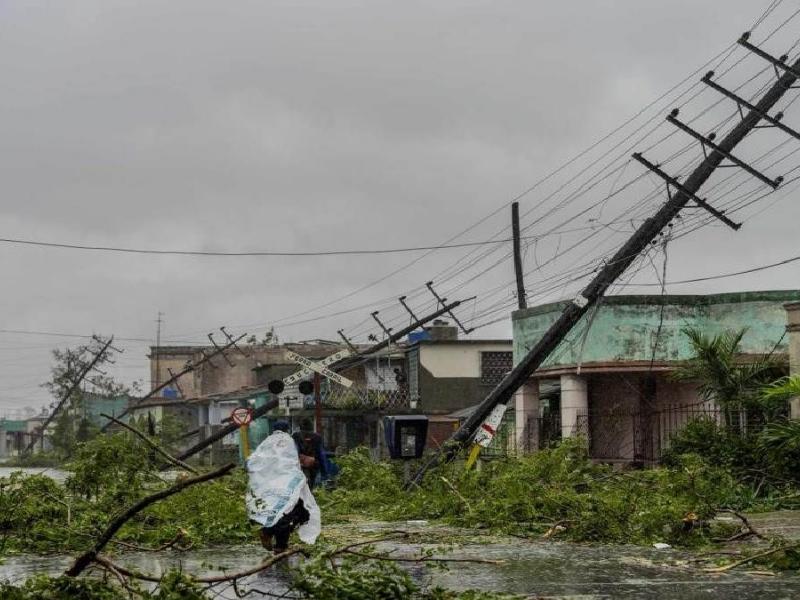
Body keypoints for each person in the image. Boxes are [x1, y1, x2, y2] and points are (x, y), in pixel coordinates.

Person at [246, 421, 321, 553]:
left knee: (279, 511)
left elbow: (252, 463)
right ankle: (278, 543)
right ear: (287, 429)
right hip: (287, 485)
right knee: (294, 512)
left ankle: (270, 534)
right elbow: (295, 461)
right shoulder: (290, 442)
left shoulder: (266, 443)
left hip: (270, 486)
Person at [292, 419, 328, 490]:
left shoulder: (296, 436)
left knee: (300, 487)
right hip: (313, 465)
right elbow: (321, 455)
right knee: (312, 486)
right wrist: (324, 472)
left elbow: (294, 451)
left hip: (299, 466)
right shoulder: (317, 437)